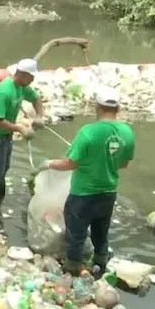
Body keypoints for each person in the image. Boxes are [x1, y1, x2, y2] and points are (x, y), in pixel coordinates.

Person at [37, 85, 135, 276]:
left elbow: (70, 163)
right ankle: (100, 263)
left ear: (97, 107)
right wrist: (104, 160)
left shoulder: (88, 132)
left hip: (83, 193)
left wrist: (48, 164)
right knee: (101, 231)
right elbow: (123, 164)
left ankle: (73, 268)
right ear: (118, 108)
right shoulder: (127, 132)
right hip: (108, 192)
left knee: (76, 233)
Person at [0, 58, 45, 203]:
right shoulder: (4, 92)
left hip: (6, 134)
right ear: (23, 75)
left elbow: (36, 98)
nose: (33, 80)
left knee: (5, 167)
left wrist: (39, 116)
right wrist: (20, 128)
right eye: (31, 77)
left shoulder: (22, 87)